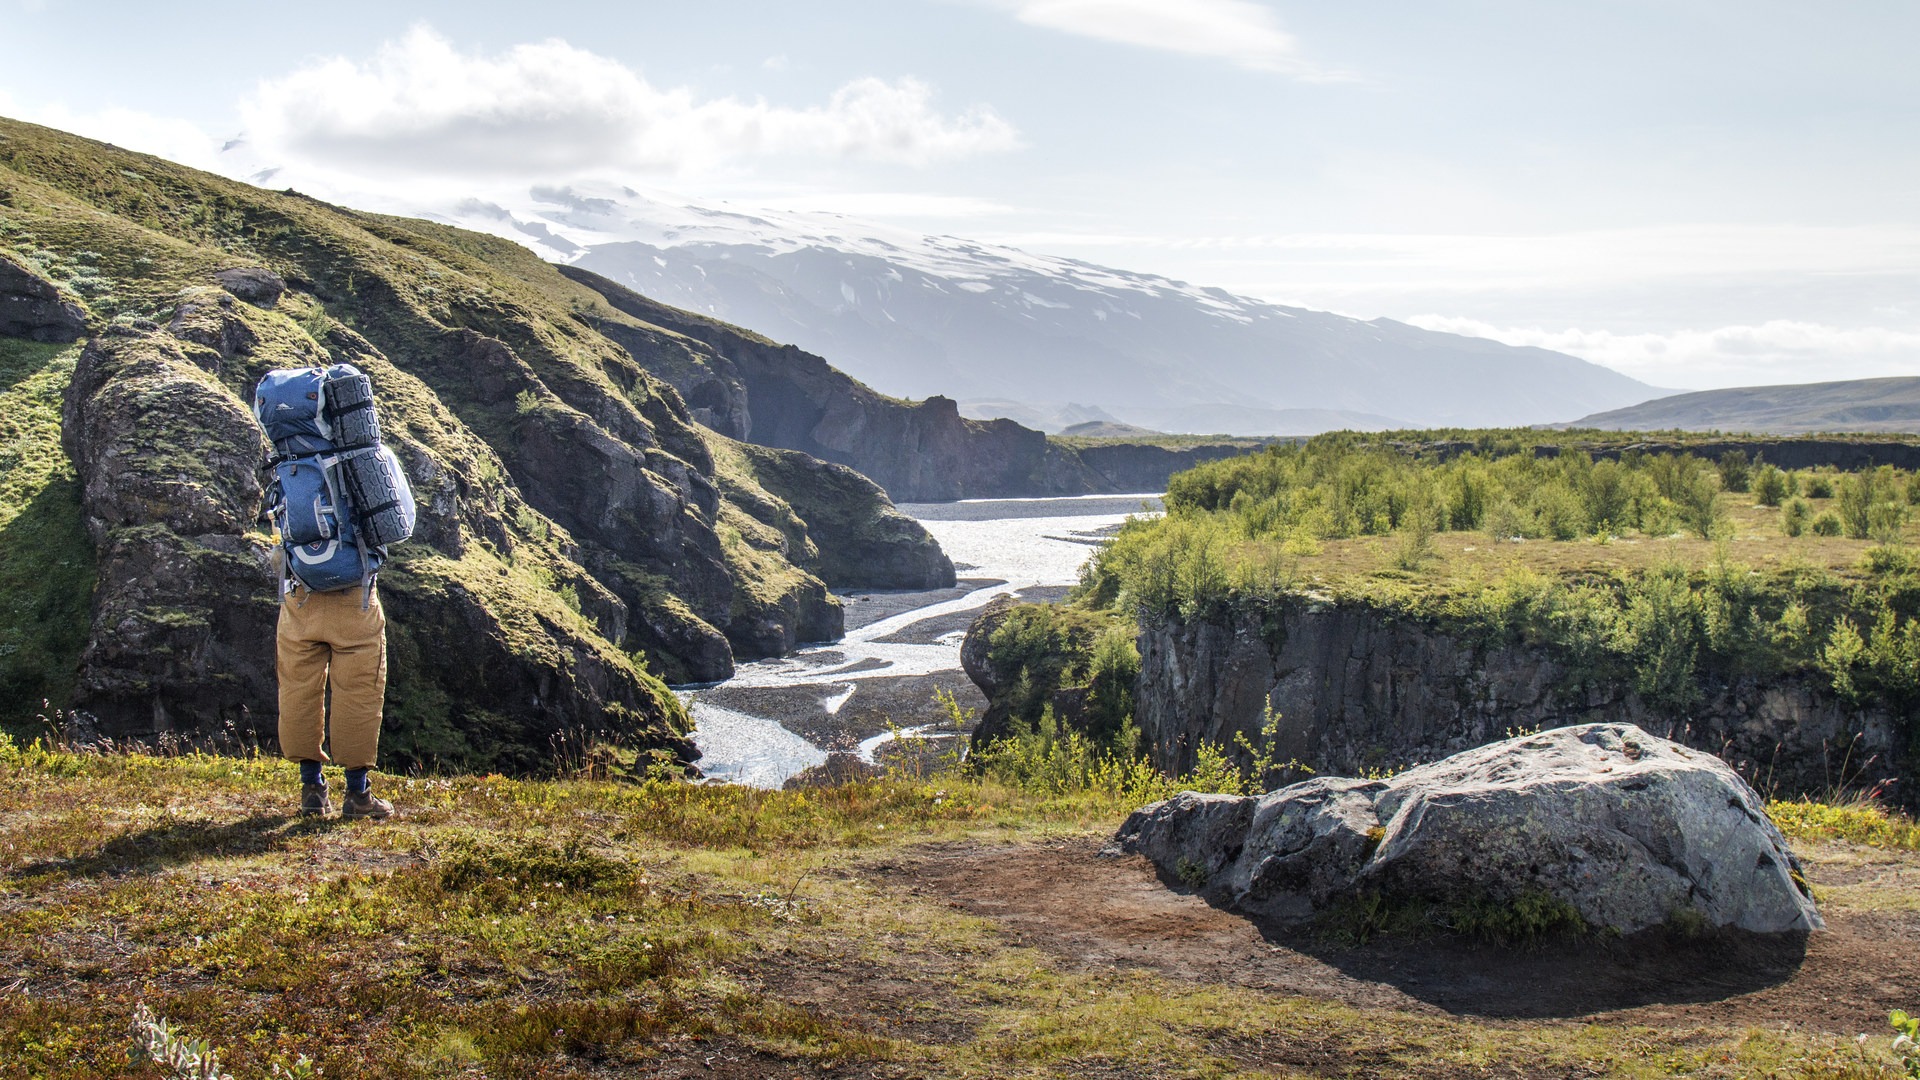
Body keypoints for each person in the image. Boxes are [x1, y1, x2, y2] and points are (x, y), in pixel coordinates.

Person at [277, 573, 394, 819]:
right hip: (355, 600)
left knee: (298, 692)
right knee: (359, 695)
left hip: (300, 599)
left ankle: (312, 789)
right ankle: (358, 794)